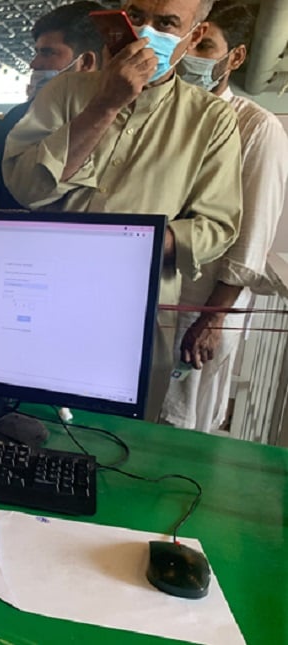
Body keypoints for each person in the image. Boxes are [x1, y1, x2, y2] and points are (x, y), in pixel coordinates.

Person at [2, 0, 243, 421]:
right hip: (39, 300)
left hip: (137, 317)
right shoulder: (65, 93)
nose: (144, 32)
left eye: (167, 23)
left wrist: (138, 245)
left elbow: (217, 227)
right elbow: (26, 187)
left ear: (195, 35)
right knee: (20, 428)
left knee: (114, 448)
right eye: (136, 16)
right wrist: (105, 105)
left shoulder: (212, 121)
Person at [162, 1, 288, 431]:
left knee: (182, 423)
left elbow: (251, 235)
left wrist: (213, 318)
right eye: (188, 43)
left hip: (203, 306)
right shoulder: (167, 114)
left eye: (206, 46)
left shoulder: (256, 127)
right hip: (155, 299)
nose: (190, 56)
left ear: (235, 57)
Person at [0, 1, 105, 210]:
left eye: (47, 53)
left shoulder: (123, 121)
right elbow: (4, 192)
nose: (34, 63)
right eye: (36, 52)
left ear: (86, 62)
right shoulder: (17, 118)